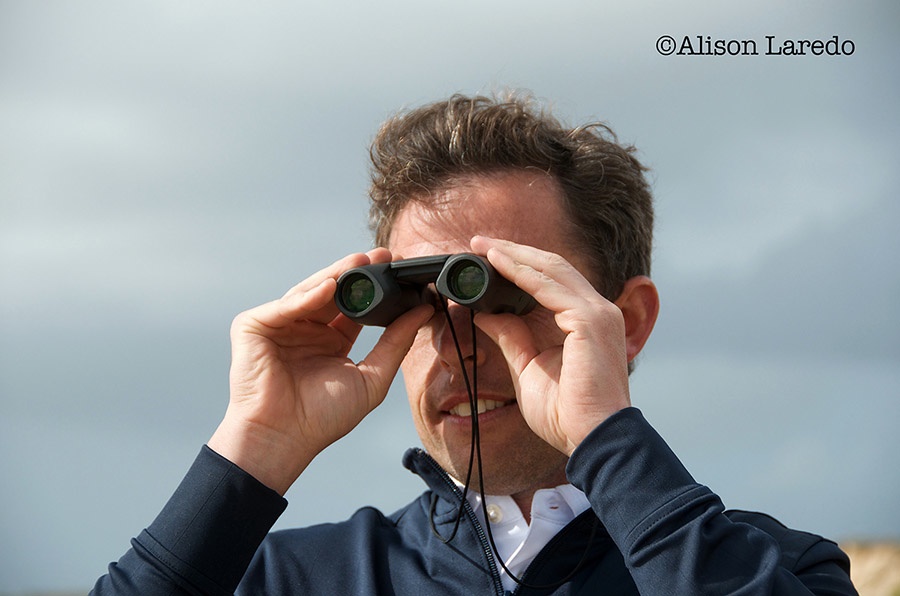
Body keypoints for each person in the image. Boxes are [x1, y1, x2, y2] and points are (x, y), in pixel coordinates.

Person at [92, 93, 856, 595]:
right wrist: (250, 449)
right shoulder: (289, 579)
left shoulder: (778, 570)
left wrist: (609, 440)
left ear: (627, 322)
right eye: (424, 301)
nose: (459, 341)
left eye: (505, 294)